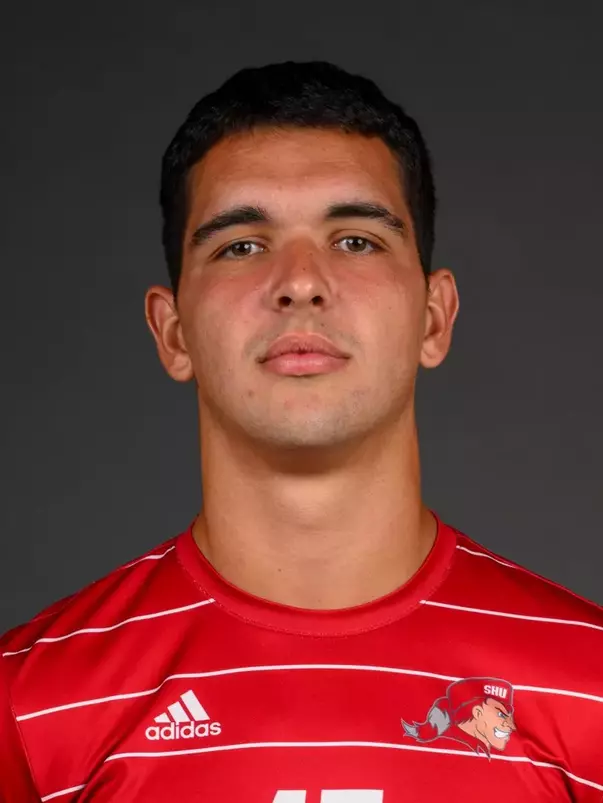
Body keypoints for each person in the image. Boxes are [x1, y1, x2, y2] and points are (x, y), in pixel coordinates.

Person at [1, 61, 601, 803]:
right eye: (241, 245)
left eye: (356, 240)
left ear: (433, 318)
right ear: (173, 332)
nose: (301, 281)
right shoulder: (28, 707)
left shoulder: (591, 689)